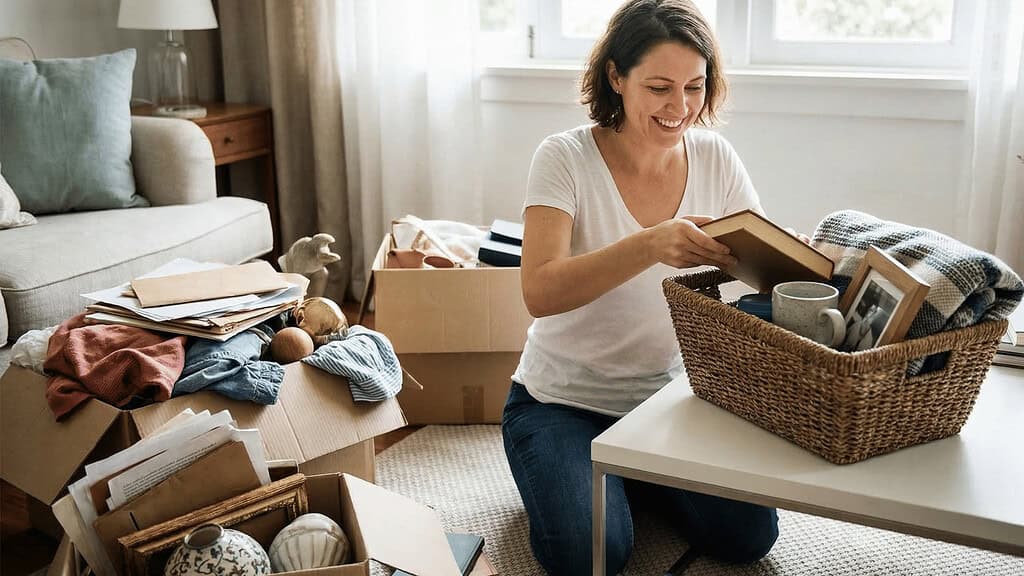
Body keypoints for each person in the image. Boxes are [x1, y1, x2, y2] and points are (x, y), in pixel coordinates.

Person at [501, 1, 780, 574]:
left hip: (670, 400)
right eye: (658, 87)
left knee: (748, 536)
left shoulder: (715, 157)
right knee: (592, 555)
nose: (679, 107)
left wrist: (786, 255)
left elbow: (763, 269)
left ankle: (632, 475)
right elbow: (540, 290)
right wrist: (651, 244)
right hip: (559, 404)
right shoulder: (564, 156)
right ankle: (598, 476)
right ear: (616, 77)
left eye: (694, 87)